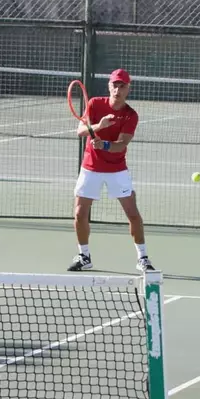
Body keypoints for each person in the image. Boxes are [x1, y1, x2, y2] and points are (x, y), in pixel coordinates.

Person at [68, 68, 155, 273]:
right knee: (80, 213)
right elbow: (80, 131)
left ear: (128, 89)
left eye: (122, 86)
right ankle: (84, 256)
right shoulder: (94, 104)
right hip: (90, 167)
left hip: (117, 169)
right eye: (115, 85)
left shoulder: (131, 115)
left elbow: (122, 144)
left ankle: (143, 258)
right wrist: (98, 126)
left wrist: (105, 145)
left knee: (133, 214)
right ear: (109, 86)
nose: (118, 89)